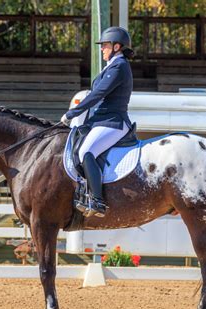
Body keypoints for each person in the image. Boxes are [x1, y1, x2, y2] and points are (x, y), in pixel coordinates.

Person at [61, 26, 134, 218]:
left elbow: (98, 94)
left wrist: (72, 112)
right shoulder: (112, 66)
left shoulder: (119, 66)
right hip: (101, 121)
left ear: (117, 46)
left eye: (105, 46)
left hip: (113, 122)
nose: (102, 49)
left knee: (87, 151)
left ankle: (97, 201)